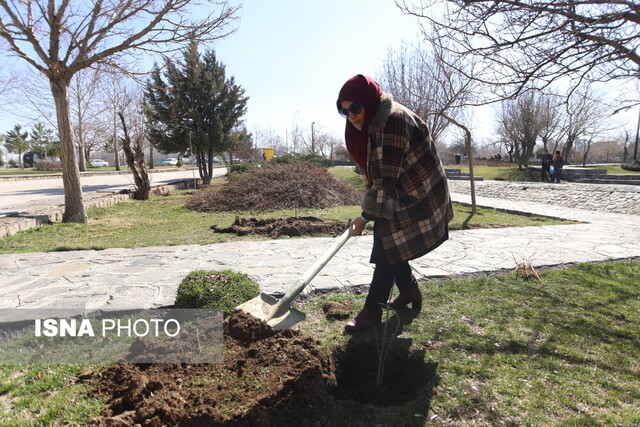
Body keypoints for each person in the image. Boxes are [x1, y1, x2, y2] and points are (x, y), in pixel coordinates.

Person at [337, 74, 453, 333]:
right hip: (402, 188)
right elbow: (377, 173)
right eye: (343, 111)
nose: (351, 115)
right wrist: (369, 211)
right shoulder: (373, 122)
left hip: (420, 192)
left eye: (355, 107)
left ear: (369, 101)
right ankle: (409, 289)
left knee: (386, 240)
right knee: (392, 241)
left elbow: (385, 178)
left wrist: (365, 216)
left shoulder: (391, 122)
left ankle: (371, 310)